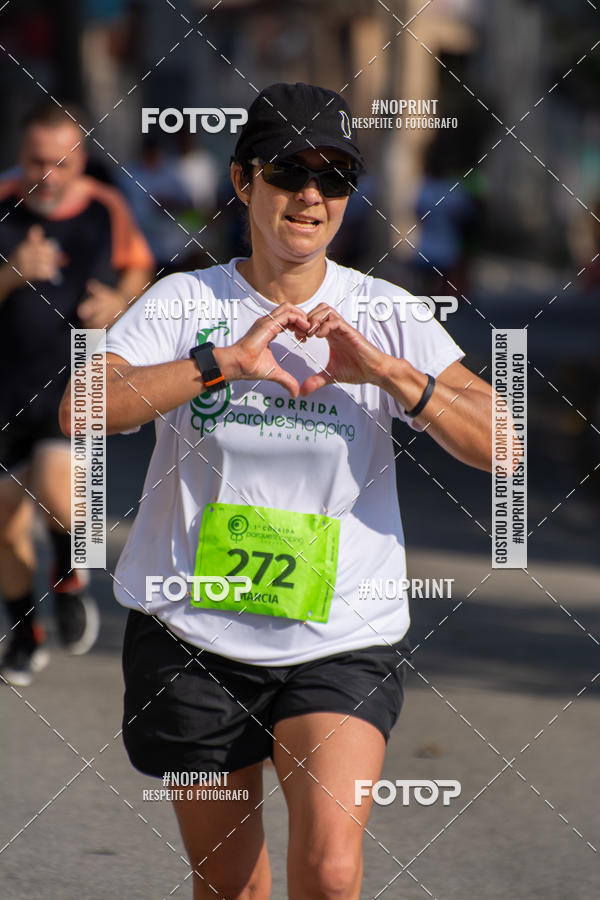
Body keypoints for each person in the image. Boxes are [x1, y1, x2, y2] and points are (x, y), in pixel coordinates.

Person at [61, 83, 494, 899]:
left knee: (330, 873)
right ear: (243, 181)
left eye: (335, 177)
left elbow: (504, 444)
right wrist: (220, 363)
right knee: (232, 886)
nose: (310, 194)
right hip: (193, 635)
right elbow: (82, 408)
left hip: (340, 635)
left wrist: (391, 375)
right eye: (289, 170)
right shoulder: (188, 301)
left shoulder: (384, 312)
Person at [0, 101, 154, 687]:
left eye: (60, 163)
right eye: (36, 160)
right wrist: (13, 271)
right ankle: (26, 633)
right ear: (20, 154)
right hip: (6, 387)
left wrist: (119, 300)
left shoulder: (105, 208)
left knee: (57, 490)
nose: (47, 175)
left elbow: (138, 269)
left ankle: (68, 576)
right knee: (4, 529)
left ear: (81, 159)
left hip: (75, 384)